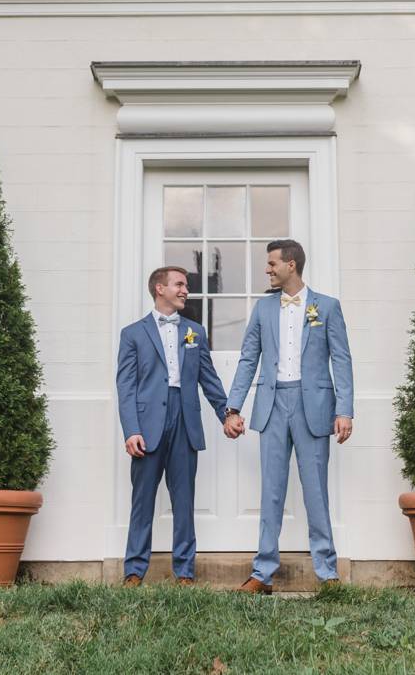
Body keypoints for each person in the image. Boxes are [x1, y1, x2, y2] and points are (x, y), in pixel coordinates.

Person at [223, 239, 354, 593]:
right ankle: (262, 573)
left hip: (314, 407)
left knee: (316, 492)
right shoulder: (263, 309)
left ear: (291, 264)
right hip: (272, 405)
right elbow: (249, 358)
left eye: (271, 263)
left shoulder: (327, 307)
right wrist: (232, 407)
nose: (267, 269)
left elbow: (341, 359)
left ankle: (327, 573)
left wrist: (344, 409)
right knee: (272, 493)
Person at [115, 265, 230, 586]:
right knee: (143, 501)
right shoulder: (132, 334)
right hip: (147, 425)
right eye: (179, 284)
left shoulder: (196, 332)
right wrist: (131, 430)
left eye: (185, 285)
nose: (185, 290)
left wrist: (227, 414)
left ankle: (184, 572)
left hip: (185, 420)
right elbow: (126, 386)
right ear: (159, 289)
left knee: (184, 500)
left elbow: (209, 379)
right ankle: (134, 571)